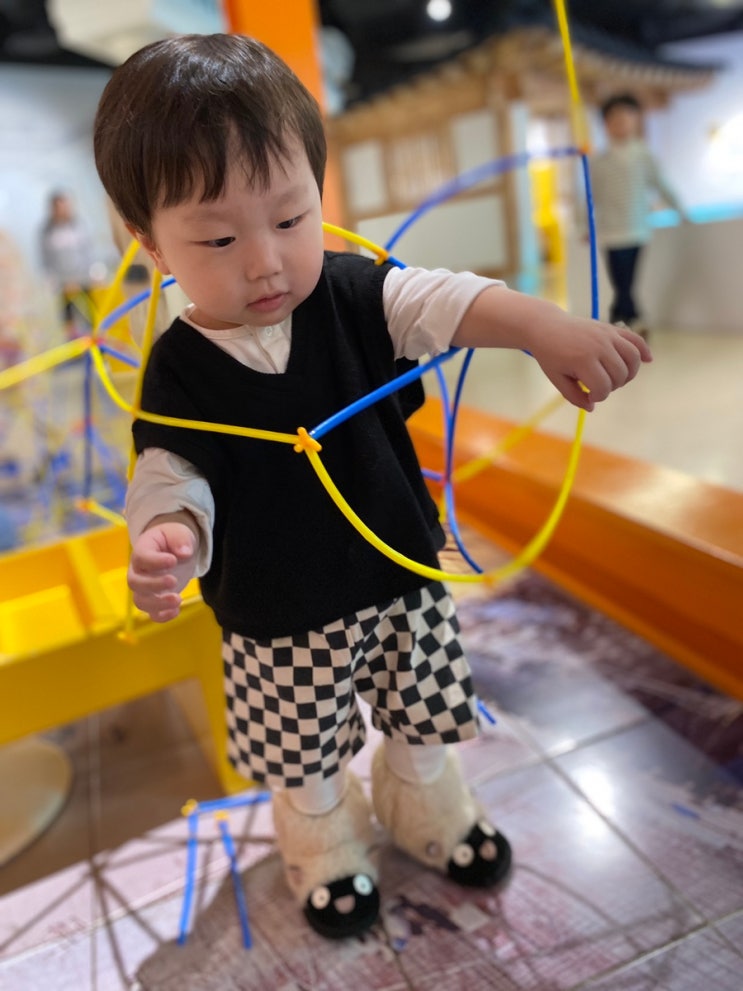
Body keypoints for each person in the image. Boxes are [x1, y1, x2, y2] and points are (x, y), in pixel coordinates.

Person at [93, 34, 652, 941]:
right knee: (304, 751)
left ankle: (426, 801)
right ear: (150, 242)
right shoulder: (180, 368)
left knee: (423, 713)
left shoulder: (354, 293)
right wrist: (169, 533)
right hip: (277, 607)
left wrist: (538, 325)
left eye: (290, 217)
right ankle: (323, 839)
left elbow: (443, 299)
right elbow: (171, 468)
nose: (266, 261)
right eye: (219, 238)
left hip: (397, 571)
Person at [589, 93, 688, 338]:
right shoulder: (599, 160)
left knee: (627, 281)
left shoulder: (643, 154)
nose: (621, 122)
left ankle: (622, 321)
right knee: (620, 281)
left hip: (637, 229)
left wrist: (680, 209)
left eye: (626, 116)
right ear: (606, 123)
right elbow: (590, 196)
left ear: (636, 120)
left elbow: (660, 183)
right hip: (611, 231)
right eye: (614, 118)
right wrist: (584, 225)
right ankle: (630, 321)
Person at [40, 191, 96, 340]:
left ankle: (96, 342)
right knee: (68, 316)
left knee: (91, 313)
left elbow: (88, 251)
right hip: (63, 283)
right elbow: (46, 258)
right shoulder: (47, 232)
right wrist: (55, 280)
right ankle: (73, 343)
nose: (64, 209)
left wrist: (91, 273)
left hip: (84, 278)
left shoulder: (79, 225)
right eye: (60, 206)